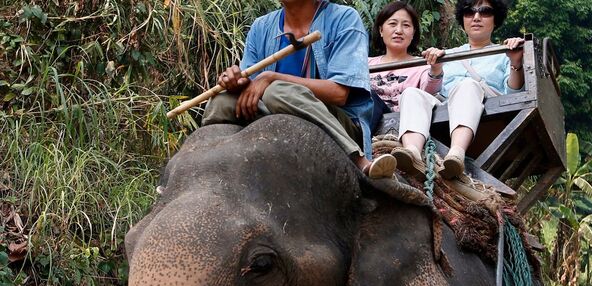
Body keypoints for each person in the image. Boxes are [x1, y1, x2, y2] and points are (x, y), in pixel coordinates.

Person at [202, 0, 396, 179]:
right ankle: (205, 165)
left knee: (277, 92)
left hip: (337, 121)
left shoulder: (344, 19)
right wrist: (237, 82)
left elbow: (339, 94)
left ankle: (358, 159)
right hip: (273, 112)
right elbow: (252, 86)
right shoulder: (261, 27)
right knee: (222, 100)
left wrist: (272, 78)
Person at [391, 0, 526, 179]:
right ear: (463, 19)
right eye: (469, 12)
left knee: (467, 85)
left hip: (487, 115)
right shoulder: (447, 55)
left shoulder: (504, 53)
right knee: (411, 93)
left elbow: (514, 96)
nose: (476, 17)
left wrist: (516, 61)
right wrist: (436, 69)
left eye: (485, 12)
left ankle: (456, 153)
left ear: (496, 19)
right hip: (446, 110)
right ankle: (412, 152)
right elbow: (433, 94)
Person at [368, 2, 442, 119]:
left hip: (407, 122)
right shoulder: (366, 64)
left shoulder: (422, 66)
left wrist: (436, 68)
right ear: (381, 30)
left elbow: (429, 93)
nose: (399, 30)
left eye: (406, 25)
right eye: (392, 24)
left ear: (413, 33)